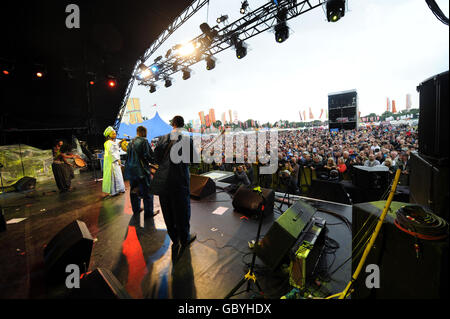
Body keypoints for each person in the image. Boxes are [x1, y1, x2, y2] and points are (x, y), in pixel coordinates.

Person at [153, 116, 198, 262]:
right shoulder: (186, 139)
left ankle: (174, 238)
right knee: (182, 211)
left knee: (168, 211)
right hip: (179, 180)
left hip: (163, 181)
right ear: (183, 125)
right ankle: (184, 239)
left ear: (172, 124)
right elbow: (191, 160)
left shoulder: (162, 139)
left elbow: (157, 159)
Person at [124, 126, 156, 219]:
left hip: (131, 171)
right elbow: (148, 155)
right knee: (147, 192)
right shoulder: (144, 141)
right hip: (141, 171)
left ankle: (136, 209)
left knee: (134, 190)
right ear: (143, 132)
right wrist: (155, 161)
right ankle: (148, 213)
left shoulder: (131, 142)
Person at [102, 126, 125, 196]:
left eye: (115, 134)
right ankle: (114, 191)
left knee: (118, 175)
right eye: (113, 134)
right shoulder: (108, 143)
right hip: (112, 162)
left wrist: (120, 142)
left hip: (115, 162)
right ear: (109, 135)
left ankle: (119, 189)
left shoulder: (112, 142)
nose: (115, 135)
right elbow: (111, 152)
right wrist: (117, 159)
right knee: (113, 176)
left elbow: (115, 147)